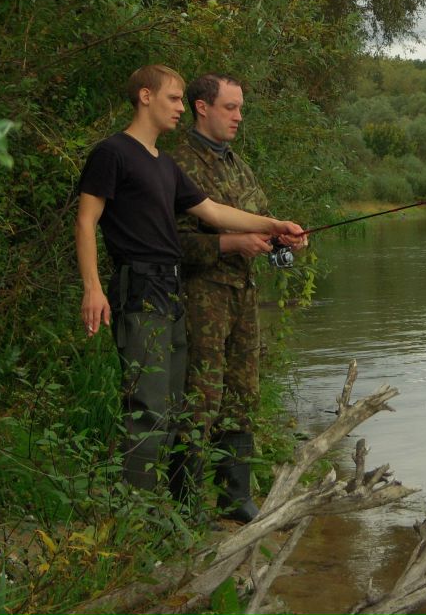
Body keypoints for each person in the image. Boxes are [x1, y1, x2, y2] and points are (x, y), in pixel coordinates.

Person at [75, 64, 306, 497]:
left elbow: (216, 213)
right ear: (146, 96)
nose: (181, 108)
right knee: (147, 406)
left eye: (182, 99)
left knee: (176, 407)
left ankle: (172, 506)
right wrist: (93, 287)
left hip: (171, 289)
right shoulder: (113, 152)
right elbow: (86, 221)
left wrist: (275, 224)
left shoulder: (164, 164)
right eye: (174, 98)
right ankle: (135, 512)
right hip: (139, 288)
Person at [170, 73, 285, 523]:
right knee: (200, 396)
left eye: (240, 108)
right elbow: (173, 245)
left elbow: (257, 221)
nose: (239, 116)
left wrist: (281, 238)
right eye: (230, 108)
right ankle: (185, 505)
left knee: (242, 394)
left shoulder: (238, 164)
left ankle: (235, 497)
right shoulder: (177, 163)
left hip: (243, 294)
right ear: (202, 107)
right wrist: (231, 244)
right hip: (201, 295)